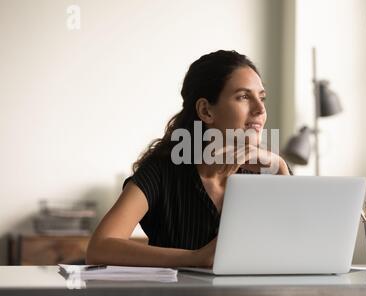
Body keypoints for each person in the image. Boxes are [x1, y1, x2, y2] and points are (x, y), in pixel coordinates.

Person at [86, 50, 292, 268]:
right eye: (243, 96)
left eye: (262, 98)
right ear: (206, 111)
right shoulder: (162, 172)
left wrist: (280, 168)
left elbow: (297, 246)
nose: (260, 110)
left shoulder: (270, 172)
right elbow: (100, 248)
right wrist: (196, 258)